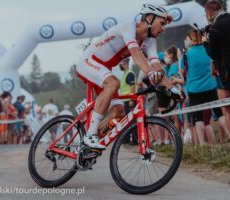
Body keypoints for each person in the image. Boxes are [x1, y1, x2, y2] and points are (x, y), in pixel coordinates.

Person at [76, 4, 182, 149]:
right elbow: (136, 54)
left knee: (119, 114)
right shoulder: (128, 27)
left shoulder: (150, 41)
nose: (163, 28)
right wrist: (150, 72)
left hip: (104, 69)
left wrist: (172, 89)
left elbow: (157, 66)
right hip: (88, 62)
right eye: (162, 23)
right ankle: (90, 135)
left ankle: (87, 144)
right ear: (150, 18)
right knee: (113, 83)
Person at [180, 30, 229, 145]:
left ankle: (202, 145)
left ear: (191, 40)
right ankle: (229, 134)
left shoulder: (186, 55)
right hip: (210, 86)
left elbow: (181, 71)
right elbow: (213, 64)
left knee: (198, 118)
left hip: (194, 89)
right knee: (219, 113)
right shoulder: (208, 50)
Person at [203, 0, 230, 135]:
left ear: (209, 13)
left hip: (226, 72)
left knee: (227, 109)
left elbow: (213, 54)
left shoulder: (214, 28)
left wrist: (205, 43)